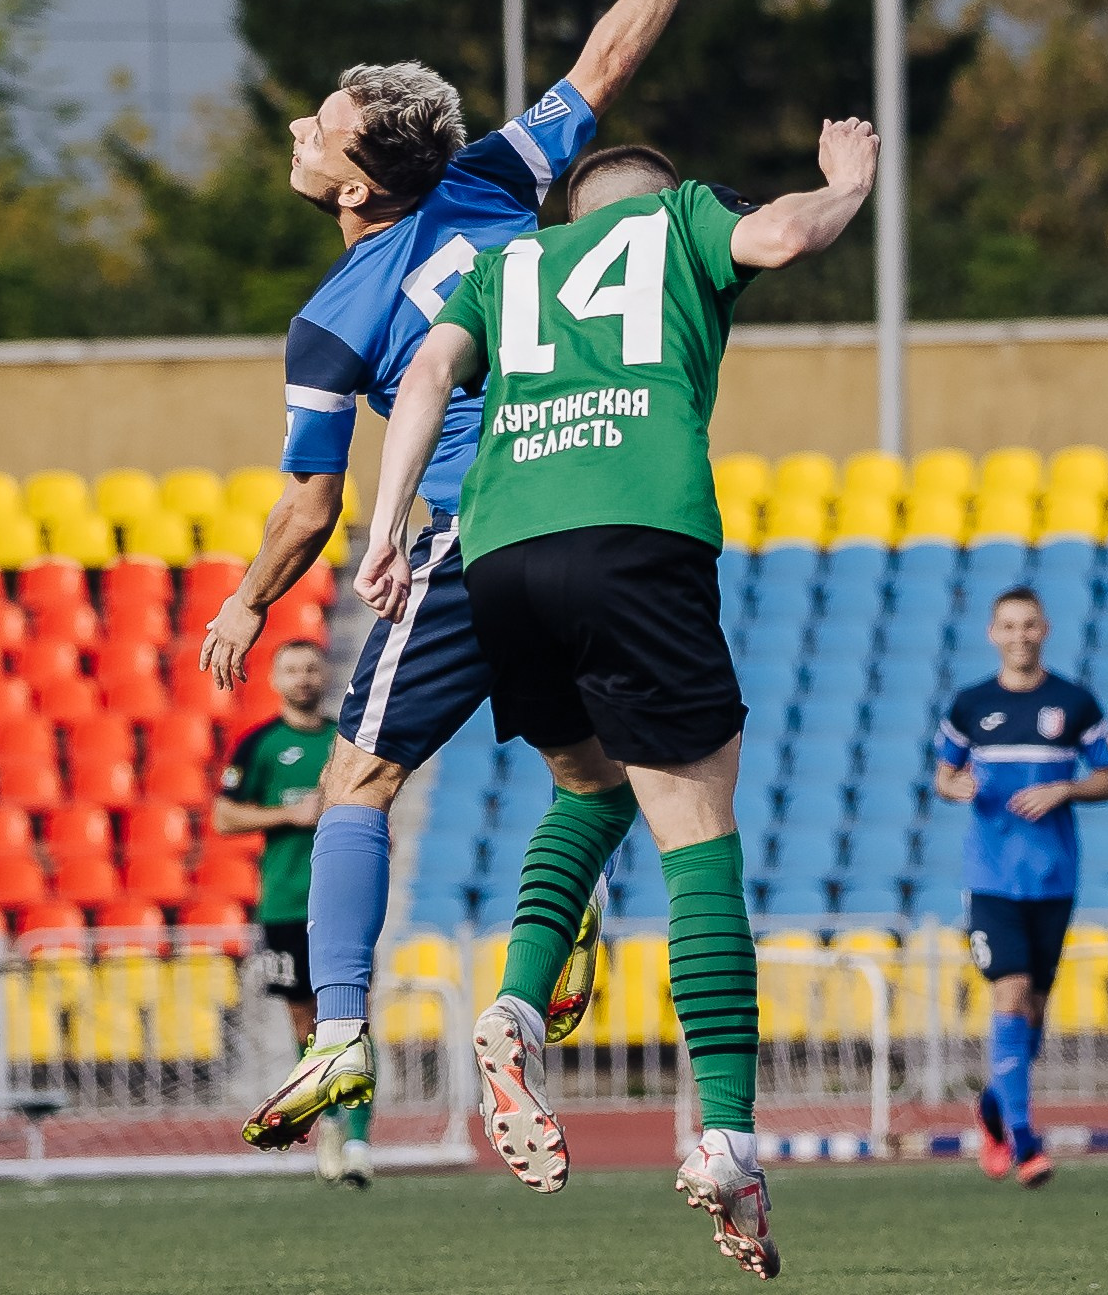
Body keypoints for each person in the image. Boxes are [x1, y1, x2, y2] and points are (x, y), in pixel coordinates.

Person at [202, 0, 744, 1150]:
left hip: (476, 522)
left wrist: (247, 596)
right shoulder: (493, 175)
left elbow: (307, 506)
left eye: (314, 124)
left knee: (355, 776)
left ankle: (338, 1034)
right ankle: (560, 939)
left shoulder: (332, 316)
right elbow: (608, 56)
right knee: (589, 770)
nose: (295, 124)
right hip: (604, 490)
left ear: (351, 183)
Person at [355, 117, 880, 1280]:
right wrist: (848, 183)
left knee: (588, 782)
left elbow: (430, 369)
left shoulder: (509, 265)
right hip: (635, 531)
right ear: (665, 198)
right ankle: (731, 1139)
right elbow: (786, 235)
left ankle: (518, 1006)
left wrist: (386, 529)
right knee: (698, 836)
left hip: (501, 553)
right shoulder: (684, 219)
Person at [933, 586, 1108, 1188]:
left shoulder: (1073, 703)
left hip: (1053, 880)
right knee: (1008, 997)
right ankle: (1027, 1141)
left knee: (1033, 1016)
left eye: (1029, 625)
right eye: (1007, 626)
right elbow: (944, 774)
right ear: (992, 633)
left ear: (1045, 630)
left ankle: (992, 1113)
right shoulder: (970, 705)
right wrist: (955, 787)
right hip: (991, 882)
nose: (1018, 636)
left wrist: (1065, 789)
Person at [212, 641, 374, 1185]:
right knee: (306, 1023)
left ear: (325, 674)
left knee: (354, 1015)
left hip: (345, 900)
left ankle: (358, 1141)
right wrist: (290, 812)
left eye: (311, 667)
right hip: (285, 904)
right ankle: (328, 1122)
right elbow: (223, 816)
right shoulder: (259, 744)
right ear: (276, 679)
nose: (303, 677)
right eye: (292, 669)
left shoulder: (346, 741)